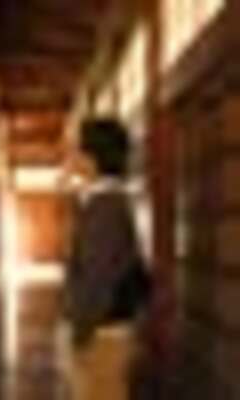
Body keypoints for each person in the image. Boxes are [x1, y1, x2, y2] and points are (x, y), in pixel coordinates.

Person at [64, 118, 151, 400]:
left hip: (102, 333)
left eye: (77, 150)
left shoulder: (104, 207)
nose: (71, 157)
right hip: (107, 327)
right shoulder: (108, 201)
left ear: (93, 158)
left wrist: (80, 332)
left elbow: (97, 277)